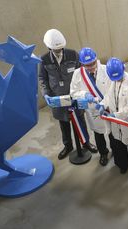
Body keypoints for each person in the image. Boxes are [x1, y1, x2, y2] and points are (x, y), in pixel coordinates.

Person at [39, 29, 97, 160]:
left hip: (74, 96)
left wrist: (84, 93)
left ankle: (85, 142)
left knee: (80, 119)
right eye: (55, 49)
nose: (59, 51)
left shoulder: (73, 55)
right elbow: (42, 78)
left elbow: (82, 74)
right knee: (63, 123)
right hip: (58, 98)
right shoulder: (44, 60)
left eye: (60, 48)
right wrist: (46, 95)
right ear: (49, 47)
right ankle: (68, 145)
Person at [98, 58, 128, 174]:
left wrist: (115, 115)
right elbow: (108, 96)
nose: (117, 80)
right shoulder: (111, 80)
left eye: (118, 77)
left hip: (127, 122)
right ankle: (122, 165)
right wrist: (102, 105)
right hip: (115, 123)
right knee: (118, 144)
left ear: (123, 69)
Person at [70, 47, 112, 166]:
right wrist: (84, 94)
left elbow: (112, 89)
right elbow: (73, 92)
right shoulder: (77, 74)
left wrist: (106, 103)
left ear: (96, 59)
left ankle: (115, 150)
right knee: (98, 134)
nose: (91, 67)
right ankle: (103, 153)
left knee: (113, 133)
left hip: (108, 108)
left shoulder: (106, 69)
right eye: (87, 65)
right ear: (82, 64)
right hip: (92, 111)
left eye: (92, 63)